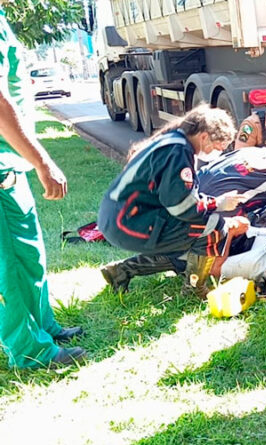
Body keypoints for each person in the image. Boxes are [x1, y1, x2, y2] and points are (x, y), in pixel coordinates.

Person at [0, 4, 85, 368]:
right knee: (7, 268)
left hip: (9, 167)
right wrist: (42, 161)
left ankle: (44, 327)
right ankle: (30, 351)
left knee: (29, 256)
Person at [98, 106, 250, 296]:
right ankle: (194, 290)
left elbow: (180, 197)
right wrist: (218, 205)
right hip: (127, 223)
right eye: (218, 146)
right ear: (204, 136)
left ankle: (121, 271)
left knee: (187, 238)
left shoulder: (173, 142)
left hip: (120, 219)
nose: (218, 151)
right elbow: (183, 208)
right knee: (215, 227)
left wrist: (215, 202)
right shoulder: (177, 152)